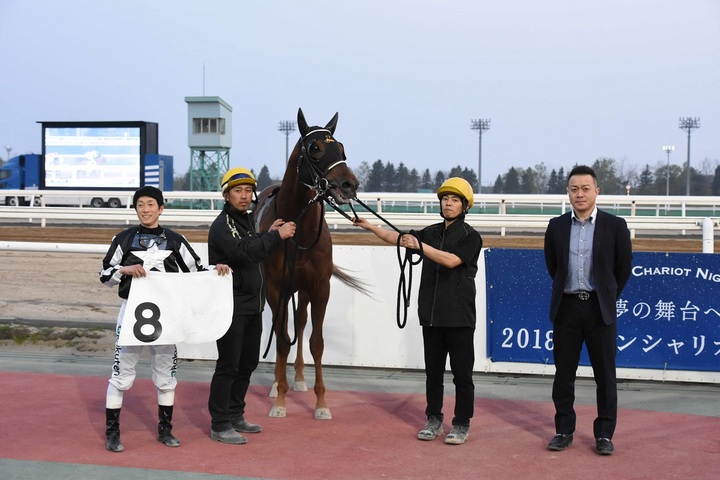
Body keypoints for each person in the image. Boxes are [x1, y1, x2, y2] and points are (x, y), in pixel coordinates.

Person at [99, 186, 230, 453]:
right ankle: (112, 433)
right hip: (131, 315)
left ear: (161, 208)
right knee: (121, 375)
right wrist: (124, 269)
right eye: (140, 205)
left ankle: (165, 430)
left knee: (166, 376)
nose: (145, 210)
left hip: (168, 318)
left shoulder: (175, 241)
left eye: (151, 204)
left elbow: (196, 270)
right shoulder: (123, 239)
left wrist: (216, 269)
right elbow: (104, 275)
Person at [353, 177, 482, 445]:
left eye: (454, 199)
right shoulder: (431, 232)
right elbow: (399, 238)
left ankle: (461, 423)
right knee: (433, 374)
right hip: (431, 318)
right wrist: (370, 226)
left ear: (465, 206)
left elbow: (451, 261)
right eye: (445, 199)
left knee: (462, 376)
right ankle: (434, 419)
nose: (448, 203)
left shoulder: (471, 237)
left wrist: (420, 246)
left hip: (459, 318)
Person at [543, 165, 632, 456]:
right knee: (563, 374)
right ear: (568, 192)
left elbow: (622, 268)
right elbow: (553, 266)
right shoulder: (556, 226)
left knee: (605, 375)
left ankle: (604, 434)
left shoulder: (615, 225)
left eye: (585, 188)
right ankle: (563, 430)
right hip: (567, 308)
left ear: (596, 191)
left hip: (599, 309)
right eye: (574, 189)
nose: (579, 194)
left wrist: (606, 295)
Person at [207, 167, 296, 445]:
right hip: (230, 308)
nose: (244, 196)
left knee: (247, 364)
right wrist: (275, 237)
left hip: (253, 307)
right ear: (227, 195)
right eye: (238, 191)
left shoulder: (246, 220)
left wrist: (266, 234)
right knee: (228, 366)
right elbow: (243, 252)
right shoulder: (221, 226)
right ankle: (220, 424)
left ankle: (235, 414)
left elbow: (251, 245)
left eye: (248, 190)